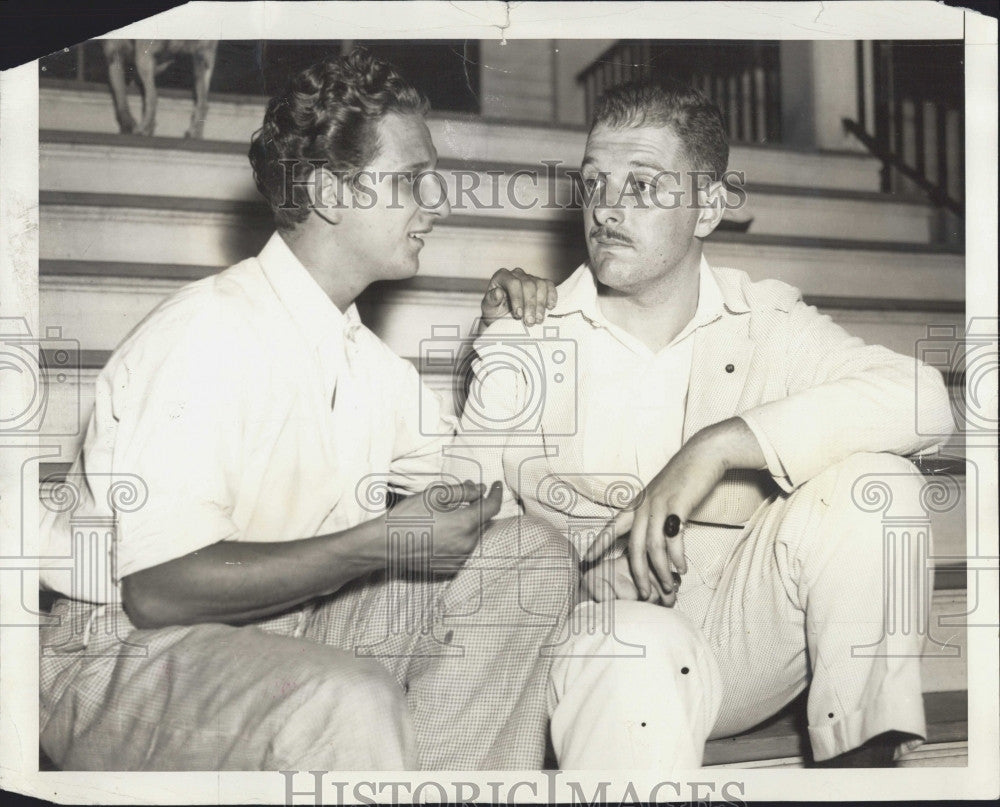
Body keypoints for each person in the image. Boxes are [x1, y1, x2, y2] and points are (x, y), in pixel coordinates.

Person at [38, 48, 574, 771]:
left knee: (527, 560)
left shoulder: (362, 359)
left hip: (281, 631)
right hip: (118, 654)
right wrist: (377, 542)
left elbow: (469, 491)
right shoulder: (206, 333)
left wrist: (500, 335)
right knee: (345, 696)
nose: (435, 204)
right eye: (412, 181)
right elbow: (157, 588)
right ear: (331, 191)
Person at [450, 80, 955, 769]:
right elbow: (454, 528)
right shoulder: (527, 339)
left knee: (877, 485)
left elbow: (925, 398)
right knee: (633, 640)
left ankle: (859, 767)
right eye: (594, 183)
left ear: (709, 206)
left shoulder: (766, 321)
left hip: (735, 645)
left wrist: (717, 447)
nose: (606, 208)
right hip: (596, 654)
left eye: (642, 185)